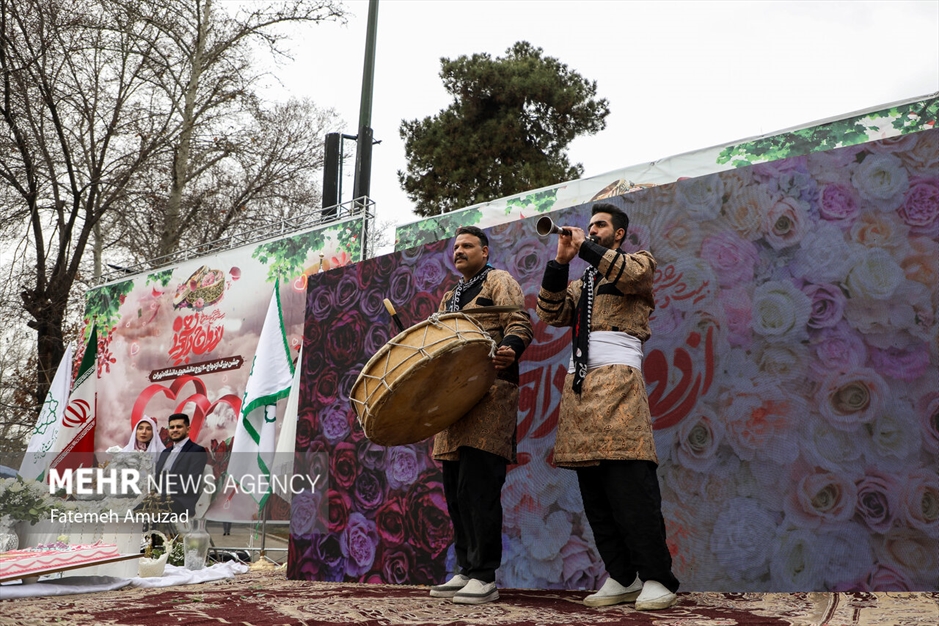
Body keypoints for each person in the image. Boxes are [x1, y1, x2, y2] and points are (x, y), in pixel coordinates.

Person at [536, 203, 680, 611]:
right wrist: (561, 262)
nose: (592, 230)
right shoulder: (582, 283)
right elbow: (550, 313)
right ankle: (622, 575)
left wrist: (585, 249)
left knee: (630, 485)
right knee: (594, 490)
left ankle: (657, 577)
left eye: (600, 226)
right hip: (581, 387)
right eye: (590, 225)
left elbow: (635, 276)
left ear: (618, 234)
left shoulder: (637, 262)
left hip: (618, 383)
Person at [428, 226, 533, 605]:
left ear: (485, 252)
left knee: (479, 486)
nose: (458, 251)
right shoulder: (448, 297)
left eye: (467, 246)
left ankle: (485, 576)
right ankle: (465, 570)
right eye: (455, 247)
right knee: (456, 490)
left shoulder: (499, 280)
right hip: (454, 402)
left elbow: (520, 324)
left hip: (491, 394)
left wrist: (510, 348)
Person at [154, 413, 208, 519]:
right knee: (132, 509)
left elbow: (191, 483)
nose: (175, 430)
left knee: (151, 513)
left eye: (179, 427)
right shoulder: (165, 452)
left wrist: (163, 494)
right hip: (159, 499)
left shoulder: (196, 451)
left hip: (180, 502)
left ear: (188, 429)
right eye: (172, 427)